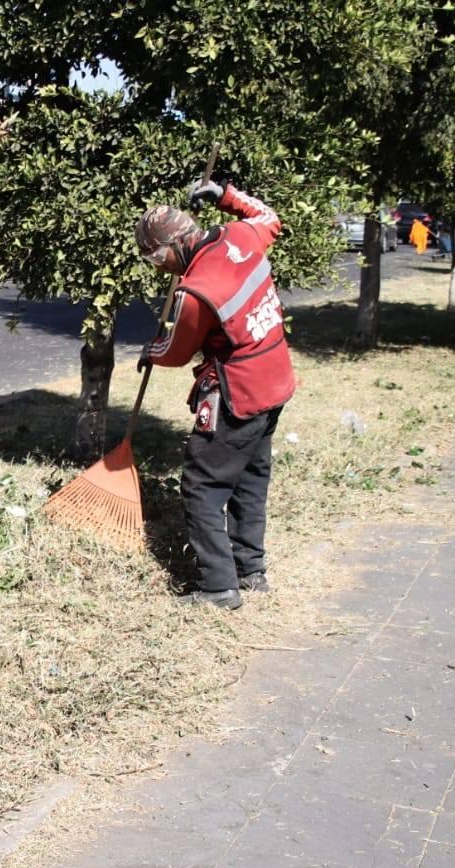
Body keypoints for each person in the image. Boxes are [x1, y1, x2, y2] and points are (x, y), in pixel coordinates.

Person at [134, 180, 297, 609]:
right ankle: (250, 570)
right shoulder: (240, 235)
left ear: (169, 248)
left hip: (237, 393)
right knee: (250, 478)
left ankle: (219, 588)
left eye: (155, 260)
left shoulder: (196, 290)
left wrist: (151, 352)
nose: (158, 268)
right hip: (275, 380)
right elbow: (268, 217)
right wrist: (226, 194)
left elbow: (177, 352)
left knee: (203, 485)